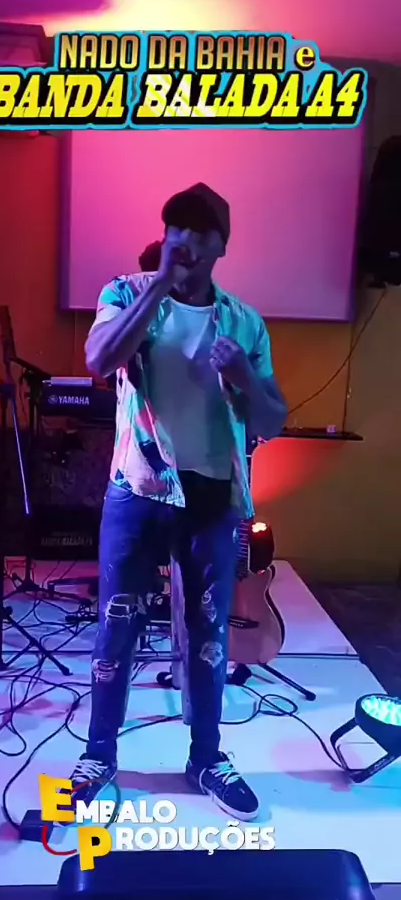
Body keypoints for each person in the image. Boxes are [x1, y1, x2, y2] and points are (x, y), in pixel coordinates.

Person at [74, 182, 287, 820]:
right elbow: (99, 358)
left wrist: (244, 377)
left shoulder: (244, 323)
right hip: (139, 489)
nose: (185, 244)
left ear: (221, 246)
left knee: (208, 635)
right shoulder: (126, 293)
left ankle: (207, 757)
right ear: (165, 238)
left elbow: (272, 419)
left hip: (213, 497)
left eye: (199, 235)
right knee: (117, 627)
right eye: (175, 232)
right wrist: (161, 287)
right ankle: (99, 754)